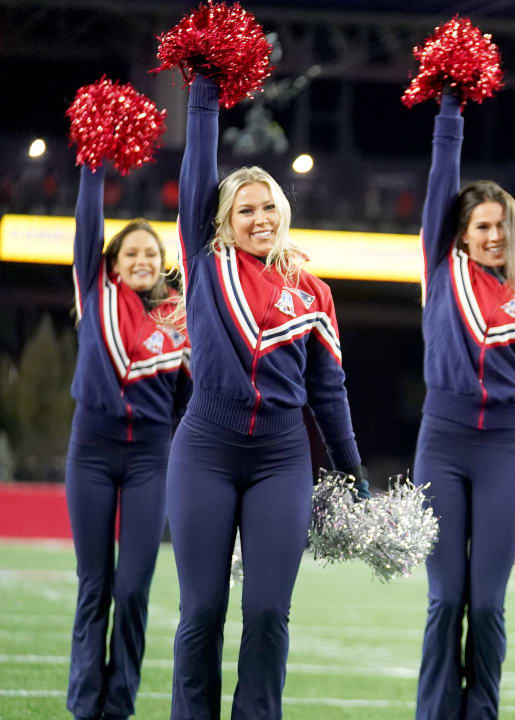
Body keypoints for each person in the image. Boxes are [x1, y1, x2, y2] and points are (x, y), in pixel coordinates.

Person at [167, 74, 366, 720]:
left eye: (269, 206)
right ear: (224, 220)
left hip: (283, 456)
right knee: (201, 611)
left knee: (269, 613)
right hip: (206, 448)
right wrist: (203, 93)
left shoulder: (313, 291)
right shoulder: (205, 265)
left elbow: (328, 388)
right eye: (245, 209)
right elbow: (198, 170)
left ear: (284, 213)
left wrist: (352, 468)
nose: (260, 218)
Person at [414, 89, 515, 720]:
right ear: (461, 232)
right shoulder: (441, 270)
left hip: (505, 451)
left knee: (487, 602)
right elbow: (440, 185)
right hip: (443, 443)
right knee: (444, 597)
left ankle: (481, 712)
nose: (492, 235)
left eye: (502, 226)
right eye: (480, 225)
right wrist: (451, 109)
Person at [66, 163, 190, 720]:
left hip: (151, 458)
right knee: (95, 585)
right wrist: (92, 163)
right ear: (112, 262)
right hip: (91, 450)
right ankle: (84, 705)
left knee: (134, 589)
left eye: (150, 253)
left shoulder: (180, 319)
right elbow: (88, 224)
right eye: (130, 253)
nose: (141, 260)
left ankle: (119, 706)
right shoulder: (93, 289)